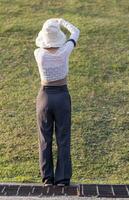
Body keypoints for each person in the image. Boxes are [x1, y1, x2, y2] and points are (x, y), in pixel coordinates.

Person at [34, 18, 80, 186]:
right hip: (62, 96)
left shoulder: (38, 54)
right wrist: (61, 21)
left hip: (44, 97)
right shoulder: (65, 51)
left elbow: (42, 46)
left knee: (45, 139)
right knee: (63, 137)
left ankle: (47, 178)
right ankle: (62, 178)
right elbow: (76, 32)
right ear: (58, 37)